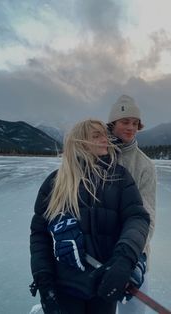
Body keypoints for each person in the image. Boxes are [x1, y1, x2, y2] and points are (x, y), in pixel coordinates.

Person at [29, 119, 150, 314]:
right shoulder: (55, 183)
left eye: (104, 134)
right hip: (65, 287)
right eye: (96, 136)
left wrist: (123, 259)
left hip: (104, 286)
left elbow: (137, 218)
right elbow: (39, 234)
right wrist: (43, 278)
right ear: (79, 142)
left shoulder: (119, 177)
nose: (106, 139)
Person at [107, 95, 156, 314]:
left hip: (132, 254)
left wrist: (138, 258)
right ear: (113, 124)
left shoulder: (144, 165)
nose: (131, 127)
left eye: (135, 123)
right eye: (125, 121)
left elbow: (148, 216)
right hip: (98, 252)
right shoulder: (97, 155)